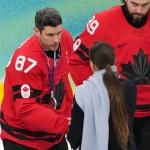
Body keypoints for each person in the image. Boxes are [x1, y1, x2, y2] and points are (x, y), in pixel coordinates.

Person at [68, 0, 150, 149]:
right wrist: (99, 94)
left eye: (145, 5)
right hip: (115, 114)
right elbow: (76, 60)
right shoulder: (102, 21)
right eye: (134, 4)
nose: (139, 10)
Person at [0, 7, 73, 150]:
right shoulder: (24, 63)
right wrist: (65, 124)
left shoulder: (65, 39)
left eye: (59, 32)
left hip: (53, 134)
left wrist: (70, 114)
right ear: (36, 31)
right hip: (22, 139)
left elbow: (63, 79)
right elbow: (27, 110)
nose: (57, 40)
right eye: (50, 35)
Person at [67, 41, 136, 150]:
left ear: (92, 64)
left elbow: (74, 138)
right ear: (114, 61)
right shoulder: (130, 87)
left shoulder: (83, 93)